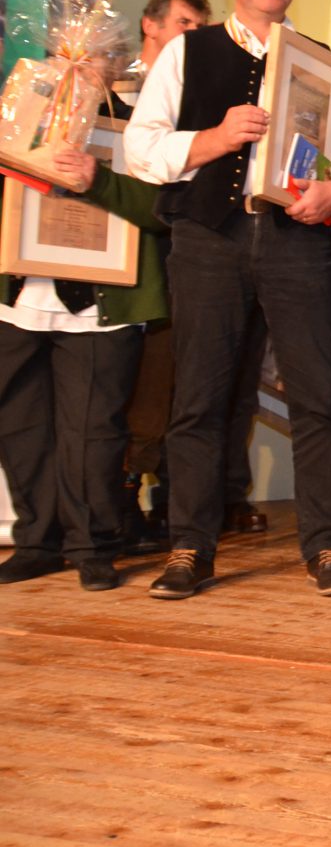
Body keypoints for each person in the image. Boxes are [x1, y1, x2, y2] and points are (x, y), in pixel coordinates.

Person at [126, 0, 331, 602]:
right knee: (200, 397)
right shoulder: (188, 51)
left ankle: (326, 545)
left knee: (319, 394)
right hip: (209, 240)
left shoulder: (324, 64)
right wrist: (213, 138)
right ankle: (190, 546)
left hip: (296, 243)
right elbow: (140, 149)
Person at [0, 146, 167, 591]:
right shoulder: (16, 121)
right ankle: (37, 543)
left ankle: (93, 546)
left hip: (102, 301)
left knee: (95, 431)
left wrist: (101, 179)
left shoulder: (132, 129)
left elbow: (164, 211)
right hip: (15, 297)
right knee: (20, 425)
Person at [119, 0, 212, 551]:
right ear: (150, 25)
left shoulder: (198, 102)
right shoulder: (113, 95)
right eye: (183, 23)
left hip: (175, 266)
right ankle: (117, 502)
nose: (191, 35)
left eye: (199, 26)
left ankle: (173, 509)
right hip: (105, 274)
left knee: (171, 388)